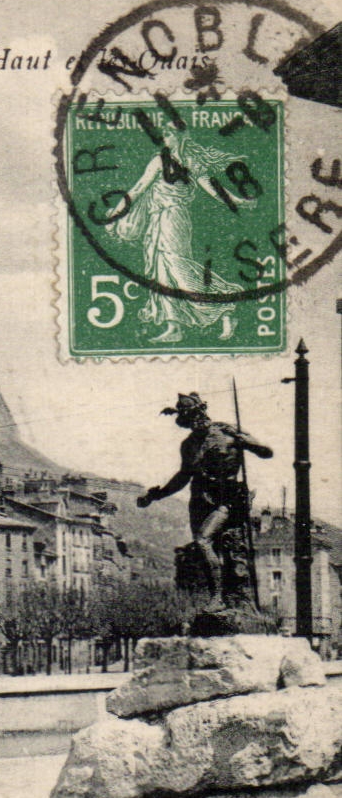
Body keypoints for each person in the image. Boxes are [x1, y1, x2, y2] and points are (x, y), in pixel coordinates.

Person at [104, 131, 256, 343]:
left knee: (177, 267)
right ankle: (174, 326)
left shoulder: (191, 162)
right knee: (161, 271)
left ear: (180, 137)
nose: (164, 138)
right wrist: (117, 212)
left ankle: (225, 304)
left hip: (175, 218)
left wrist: (237, 201)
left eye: (168, 134)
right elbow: (137, 189)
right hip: (157, 220)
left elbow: (213, 189)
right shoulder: (159, 161)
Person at [137, 392, 272, 607]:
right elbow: (183, 476)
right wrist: (156, 495)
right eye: (189, 420)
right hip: (200, 499)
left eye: (196, 416)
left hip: (228, 498)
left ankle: (218, 598)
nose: (195, 422)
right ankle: (219, 597)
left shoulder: (228, 431)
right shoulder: (189, 445)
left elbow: (267, 452)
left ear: (203, 411)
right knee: (204, 549)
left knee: (204, 541)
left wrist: (249, 443)